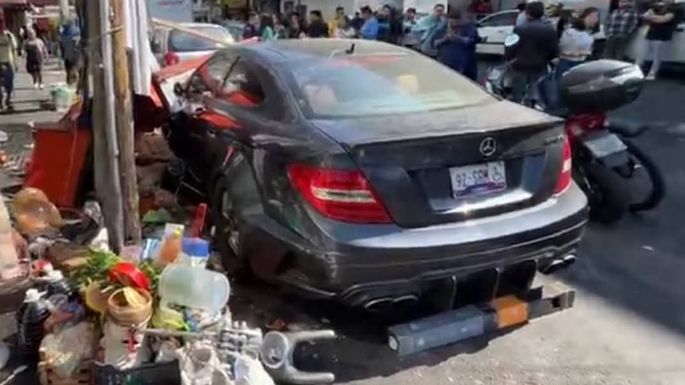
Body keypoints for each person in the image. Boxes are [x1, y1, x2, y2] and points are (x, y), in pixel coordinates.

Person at [506, 1, 559, 103]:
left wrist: (509, 59)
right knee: (536, 90)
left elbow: (510, 47)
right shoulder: (550, 30)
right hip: (540, 65)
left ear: (528, 13)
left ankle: (520, 108)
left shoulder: (519, 29)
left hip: (520, 65)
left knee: (519, 92)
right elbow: (553, 50)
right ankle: (535, 106)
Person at [636, 1, 677, 79]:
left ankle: (652, 74)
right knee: (641, 55)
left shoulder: (673, 9)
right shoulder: (653, 7)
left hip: (662, 36)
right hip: (650, 34)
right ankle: (635, 72)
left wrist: (651, 17)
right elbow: (644, 16)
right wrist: (652, 17)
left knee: (657, 57)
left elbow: (663, 19)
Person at [435, 11, 480, 80]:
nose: (452, 23)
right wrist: (444, 39)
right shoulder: (442, 29)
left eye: (455, 21)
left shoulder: (469, 28)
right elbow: (435, 43)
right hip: (445, 62)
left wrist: (456, 37)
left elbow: (471, 41)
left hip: (463, 63)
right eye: (449, 21)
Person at [558, 7, 599, 77]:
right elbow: (563, 48)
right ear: (585, 17)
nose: (596, 19)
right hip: (568, 63)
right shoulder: (570, 31)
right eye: (593, 16)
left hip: (581, 63)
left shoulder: (590, 32)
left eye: (597, 16)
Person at [0, 19, 17, 111]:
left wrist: (15, 63)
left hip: (8, 62)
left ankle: (8, 101)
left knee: (9, 85)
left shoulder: (9, 36)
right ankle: (1, 103)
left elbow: (14, 49)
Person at [59, 20, 80, 85]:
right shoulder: (76, 30)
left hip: (68, 55)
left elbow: (61, 45)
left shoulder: (63, 33)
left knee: (69, 69)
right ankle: (74, 81)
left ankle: (70, 82)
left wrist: (62, 54)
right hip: (74, 54)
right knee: (73, 68)